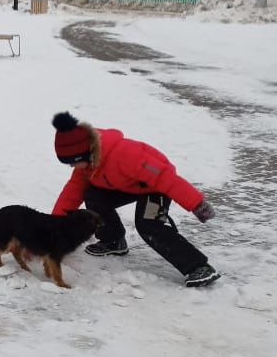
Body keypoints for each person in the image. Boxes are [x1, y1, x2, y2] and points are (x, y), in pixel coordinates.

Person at [50, 111, 220, 287]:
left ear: (85, 154)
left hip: (155, 188)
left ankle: (198, 266)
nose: (71, 166)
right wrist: (54, 226)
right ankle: (113, 240)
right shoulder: (87, 166)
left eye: (72, 161)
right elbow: (71, 193)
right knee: (93, 194)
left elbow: (165, 178)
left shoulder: (126, 155)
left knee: (148, 224)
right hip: (127, 186)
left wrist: (196, 203)